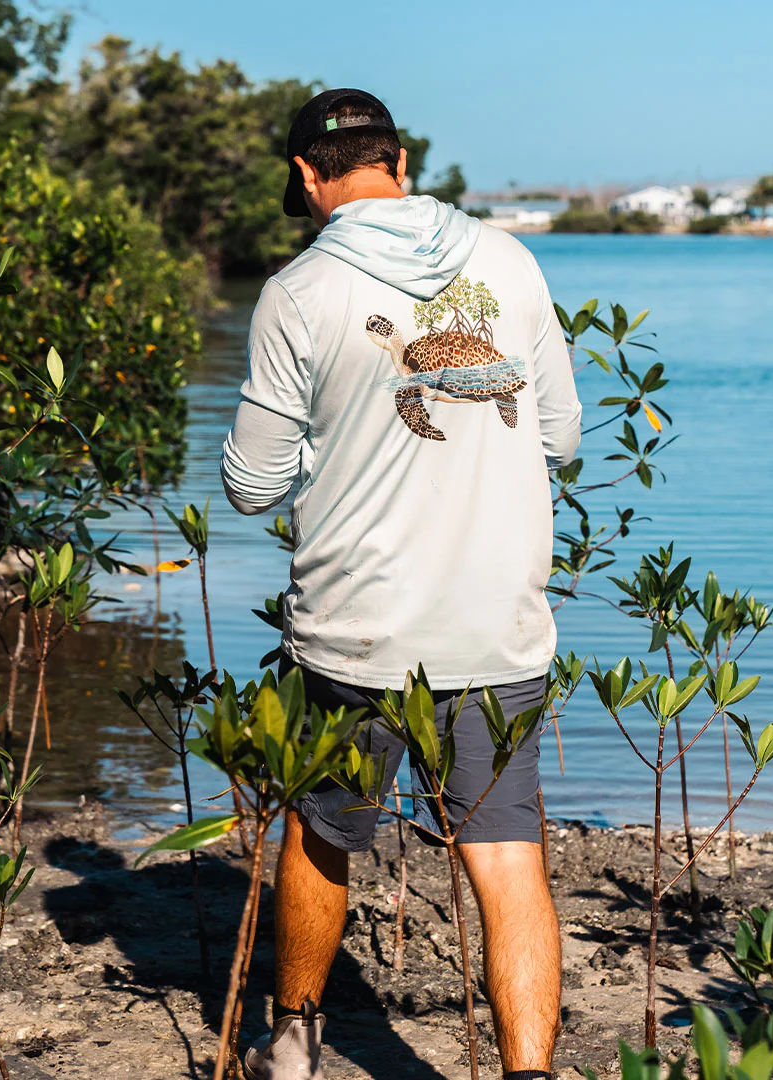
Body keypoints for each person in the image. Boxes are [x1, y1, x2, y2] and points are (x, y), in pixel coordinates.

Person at [220, 88, 581, 1080]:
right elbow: (558, 437)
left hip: (357, 634)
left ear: (305, 177)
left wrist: (332, 461)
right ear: (403, 161)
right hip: (495, 625)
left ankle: (293, 1045)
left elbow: (250, 489)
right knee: (507, 855)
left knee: (323, 834)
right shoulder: (510, 259)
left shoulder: (298, 292)